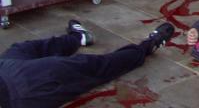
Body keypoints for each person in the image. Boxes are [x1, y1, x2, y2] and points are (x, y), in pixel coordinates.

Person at [0, 19, 175, 108]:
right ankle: (147, 47)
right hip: (19, 89)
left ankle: (78, 37)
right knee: (92, 66)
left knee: (23, 49)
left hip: (5, 68)